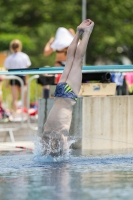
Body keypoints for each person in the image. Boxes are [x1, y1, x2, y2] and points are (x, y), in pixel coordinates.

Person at [42, 19, 94, 156]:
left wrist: (65, 155)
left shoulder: (56, 136)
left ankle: (86, 33)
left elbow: (63, 144)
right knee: (72, 59)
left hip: (66, 96)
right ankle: (79, 32)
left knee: (76, 60)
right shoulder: (47, 136)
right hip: (60, 92)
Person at [41, 27, 75, 99]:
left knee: (57, 82)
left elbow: (46, 52)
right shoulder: (72, 42)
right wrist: (73, 35)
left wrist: (49, 42)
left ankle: (54, 96)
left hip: (59, 64)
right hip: (70, 64)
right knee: (69, 83)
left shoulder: (57, 43)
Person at [4, 39, 31, 117]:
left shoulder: (9, 58)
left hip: (13, 77)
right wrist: (26, 80)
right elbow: (26, 70)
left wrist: (6, 83)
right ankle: (26, 114)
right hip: (22, 77)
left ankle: (15, 114)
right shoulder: (24, 56)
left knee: (14, 98)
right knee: (24, 97)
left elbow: (7, 71)